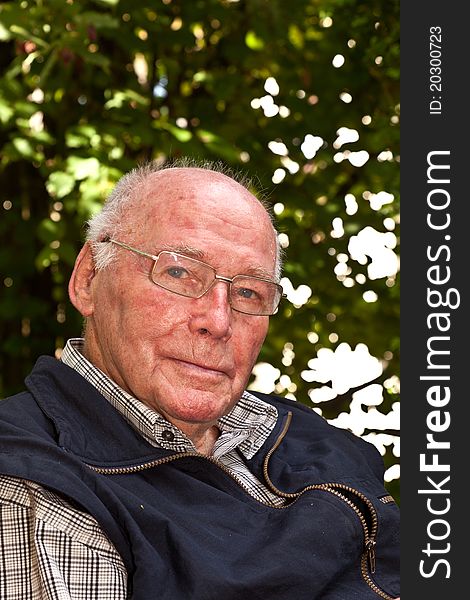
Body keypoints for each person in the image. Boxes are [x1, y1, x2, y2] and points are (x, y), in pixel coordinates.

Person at [0, 159, 400, 600]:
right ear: (89, 278)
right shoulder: (35, 482)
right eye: (179, 272)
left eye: (248, 292)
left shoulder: (307, 437)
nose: (218, 320)